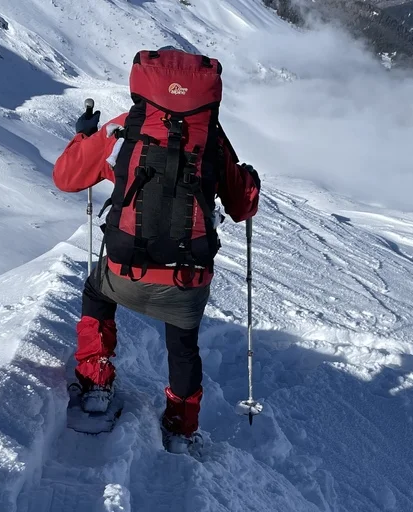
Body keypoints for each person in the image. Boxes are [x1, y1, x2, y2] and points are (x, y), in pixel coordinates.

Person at [52, 47, 261, 447]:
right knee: (183, 347)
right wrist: (248, 179)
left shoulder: (124, 127)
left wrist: (83, 134)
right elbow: (242, 206)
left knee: (97, 293)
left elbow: (67, 177)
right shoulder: (212, 140)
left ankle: (96, 384)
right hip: (186, 279)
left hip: (124, 270)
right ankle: (181, 427)